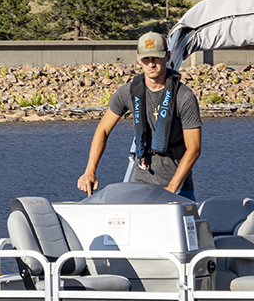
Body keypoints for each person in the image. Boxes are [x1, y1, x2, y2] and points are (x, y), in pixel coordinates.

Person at [78, 31, 202, 200]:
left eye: (156, 58)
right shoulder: (127, 92)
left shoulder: (184, 97)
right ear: (138, 58)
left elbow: (194, 149)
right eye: (146, 59)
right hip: (140, 187)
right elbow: (103, 130)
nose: (151, 64)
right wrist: (89, 171)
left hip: (177, 189)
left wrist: (171, 188)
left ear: (167, 56)